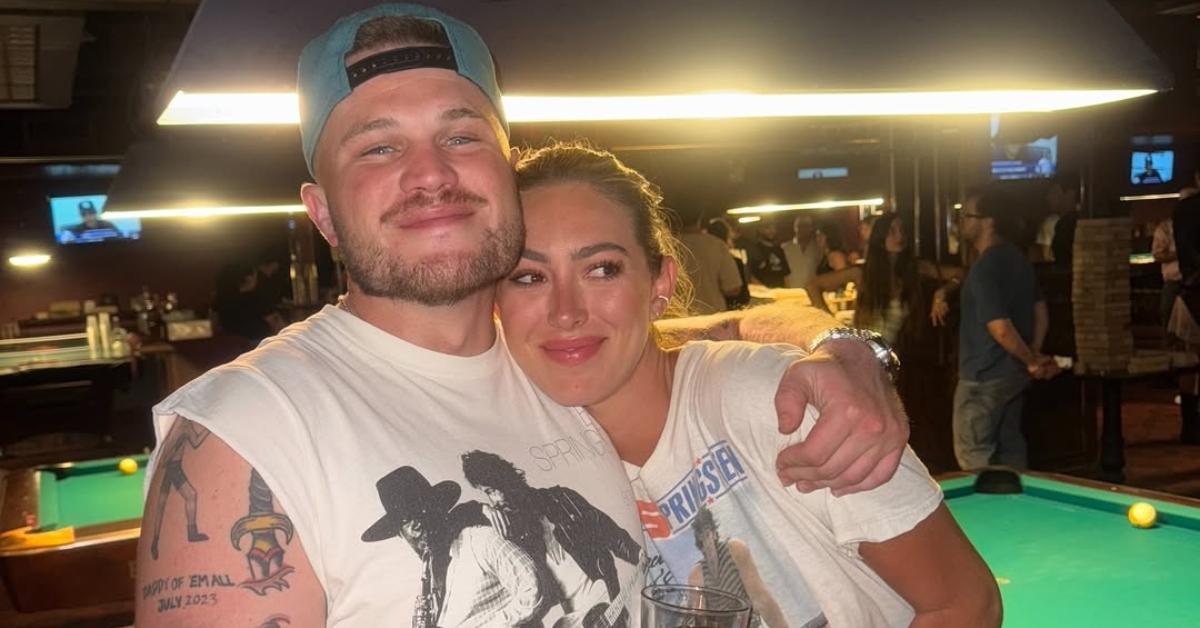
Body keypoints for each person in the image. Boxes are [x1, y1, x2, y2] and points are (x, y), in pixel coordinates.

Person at [134, 5, 911, 626]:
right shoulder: (245, 433)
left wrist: (842, 344)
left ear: (507, 174)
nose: (431, 173)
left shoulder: (560, 357)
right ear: (324, 214)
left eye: (461, 135)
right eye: (377, 149)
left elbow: (697, 332)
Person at [496, 142, 1001, 627]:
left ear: (660, 287)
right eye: (528, 277)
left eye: (601, 269)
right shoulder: (538, 445)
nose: (566, 311)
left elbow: (965, 606)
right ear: (493, 304)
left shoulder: (769, 395)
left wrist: (844, 345)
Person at [954, 185, 1059, 471]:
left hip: (982, 377)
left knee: (974, 457)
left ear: (989, 221)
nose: (962, 222)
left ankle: (981, 517)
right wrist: (1033, 354)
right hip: (1013, 376)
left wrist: (1030, 359)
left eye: (967, 216)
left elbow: (999, 327)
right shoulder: (1017, 258)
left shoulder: (984, 267)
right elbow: (1041, 310)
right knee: (1011, 452)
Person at [805, 214, 961, 346]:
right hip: (865, 355)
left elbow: (962, 274)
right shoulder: (863, 273)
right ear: (880, 238)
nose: (899, 236)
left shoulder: (915, 268)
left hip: (902, 357)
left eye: (901, 230)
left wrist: (942, 292)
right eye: (892, 231)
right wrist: (834, 328)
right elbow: (813, 285)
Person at [1167, 163, 1200, 443]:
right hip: (1193, 290)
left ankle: (1190, 426)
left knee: (1190, 361)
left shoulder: (1184, 210)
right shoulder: (1189, 209)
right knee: (1190, 361)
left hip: (1190, 290)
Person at [677, 216, 743, 314]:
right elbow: (733, 289)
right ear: (700, 217)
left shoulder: (667, 246)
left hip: (675, 320)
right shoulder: (717, 245)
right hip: (712, 317)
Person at [704, 218, 751, 309]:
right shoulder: (735, 262)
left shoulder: (698, 259)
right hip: (726, 312)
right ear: (727, 237)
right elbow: (742, 296)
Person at [1047, 173, 1081, 265]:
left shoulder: (1067, 224)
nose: (1048, 198)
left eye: (1053, 192)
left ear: (1070, 194)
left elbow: (1063, 262)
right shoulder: (1076, 221)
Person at [748, 218, 790, 287]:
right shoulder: (754, 250)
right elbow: (750, 275)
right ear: (759, 229)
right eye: (767, 228)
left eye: (773, 228)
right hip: (762, 293)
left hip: (780, 292)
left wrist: (788, 291)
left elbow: (785, 274)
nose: (772, 231)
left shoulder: (779, 250)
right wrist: (764, 289)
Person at [782, 213, 821, 288]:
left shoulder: (817, 248)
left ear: (811, 228)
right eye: (800, 226)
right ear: (795, 228)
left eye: (806, 226)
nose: (803, 229)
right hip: (791, 292)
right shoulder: (784, 248)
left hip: (812, 291)